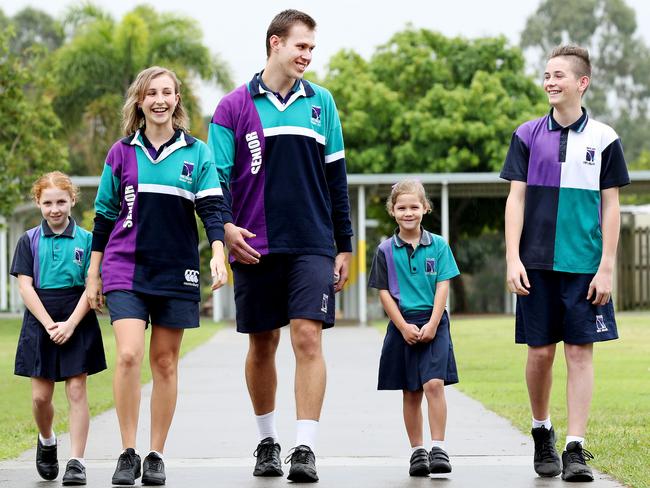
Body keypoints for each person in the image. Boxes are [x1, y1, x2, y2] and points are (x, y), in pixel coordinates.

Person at [208, 9, 353, 483]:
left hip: (312, 242)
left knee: (307, 337)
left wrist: (344, 244)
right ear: (275, 43)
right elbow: (217, 181)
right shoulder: (232, 107)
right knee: (263, 342)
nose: (308, 55)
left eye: (312, 47)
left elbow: (336, 178)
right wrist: (225, 228)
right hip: (253, 243)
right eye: (301, 46)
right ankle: (267, 441)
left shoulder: (322, 103)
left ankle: (305, 448)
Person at [86, 66, 228, 486]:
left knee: (165, 362)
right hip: (124, 267)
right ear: (140, 101)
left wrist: (218, 254)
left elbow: (213, 211)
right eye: (152, 93)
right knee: (129, 354)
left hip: (176, 270)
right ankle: (127, 451)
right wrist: (93, 273)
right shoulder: (121, 152)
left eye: (167, 92)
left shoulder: (197, 153)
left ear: (177, 99)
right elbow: (103, 216)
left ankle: (155, 453)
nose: (160, 100)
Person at [501, 45, 630, 482]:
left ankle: (575, 447)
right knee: (539, 354)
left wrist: (607, 265)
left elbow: (611, 207)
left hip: (585, 265)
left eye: (558, 75)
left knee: (579, 353)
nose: (550, 81)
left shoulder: (606, 138)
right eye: (546, 75)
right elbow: (515, 199)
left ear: (582, 82)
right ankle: (543, 432)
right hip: (534, 263)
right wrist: (512, 257)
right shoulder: (525, 134)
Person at [11, 171, 107, 486]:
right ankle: (48, 440)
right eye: (48, 202)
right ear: (38, 202)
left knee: (77, 390)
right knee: (40, 397)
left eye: (61, 202)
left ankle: (77, 461)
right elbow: (25, 288)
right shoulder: (28, 240)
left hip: (77, 314)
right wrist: (49, 323)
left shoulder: (88, 240)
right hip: (41, 317)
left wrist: (71, 323)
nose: (55, 209)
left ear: (72, 201)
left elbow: (91, 286)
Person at [368, 179, 460, 477]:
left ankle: (439, 448)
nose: (408, 212)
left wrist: (433, 323)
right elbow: (383, 292)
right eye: (402, 207)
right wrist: (403, 326)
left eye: (414, 207)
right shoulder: (384, 250)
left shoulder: (439, 245)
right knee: (410, 391)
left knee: (433, 384)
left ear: (426, 208)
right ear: (392, 211)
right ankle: (417, 451)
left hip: (434, 321)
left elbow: (443, 284)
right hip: (402, 324)